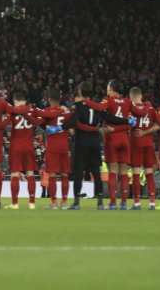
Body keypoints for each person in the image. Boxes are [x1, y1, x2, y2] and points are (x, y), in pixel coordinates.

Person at [51, 81, 135, 210]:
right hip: (95, 142)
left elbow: (73, 121)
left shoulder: (78, 105)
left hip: (82, 142)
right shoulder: (97, 106)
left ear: (80, 92)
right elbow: (110, 118)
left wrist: (58, 128)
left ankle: (77, 202)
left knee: (79, 172)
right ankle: (100, 202)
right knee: (96, 173)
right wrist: (127, 120)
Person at [85, 80, 133, 210]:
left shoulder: (108, 100)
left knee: (112, 171)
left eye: (107, 87)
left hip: (112, 139)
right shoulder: (128, 102)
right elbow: (131, 122)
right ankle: (123, 204)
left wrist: (86, 101)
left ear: (111, 89)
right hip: (124, 139)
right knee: (123, 172)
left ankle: (112, 203)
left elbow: (100, 108)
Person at [3, 89, 40, 210]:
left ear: (16, 101)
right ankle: (32, 203)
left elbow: (5, 123)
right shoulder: (31, 110)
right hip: (29, 146)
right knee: (30, 173)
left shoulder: (13, 111)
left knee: (14, 174)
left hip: (16, 146)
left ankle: (15, 203)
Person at [35, 89, 71, 209]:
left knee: (52, 175)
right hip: (64, 146)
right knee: (65, 174)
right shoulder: (66, 111)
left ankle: (54, 203)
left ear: (50, 100)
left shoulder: (47, 111)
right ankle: (64, 203)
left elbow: (38, 118)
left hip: (52, 147)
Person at [129, 87, 160, 210]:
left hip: (135, 143)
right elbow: (159, 125)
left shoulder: (130, 108)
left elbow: (128, 123)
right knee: (149, 174)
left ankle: (137, 203)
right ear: (141, 95)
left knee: (136, 173)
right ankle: (152, 202)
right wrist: (146, 132)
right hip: (148, 144)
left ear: (131, 97)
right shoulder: (151, 109)